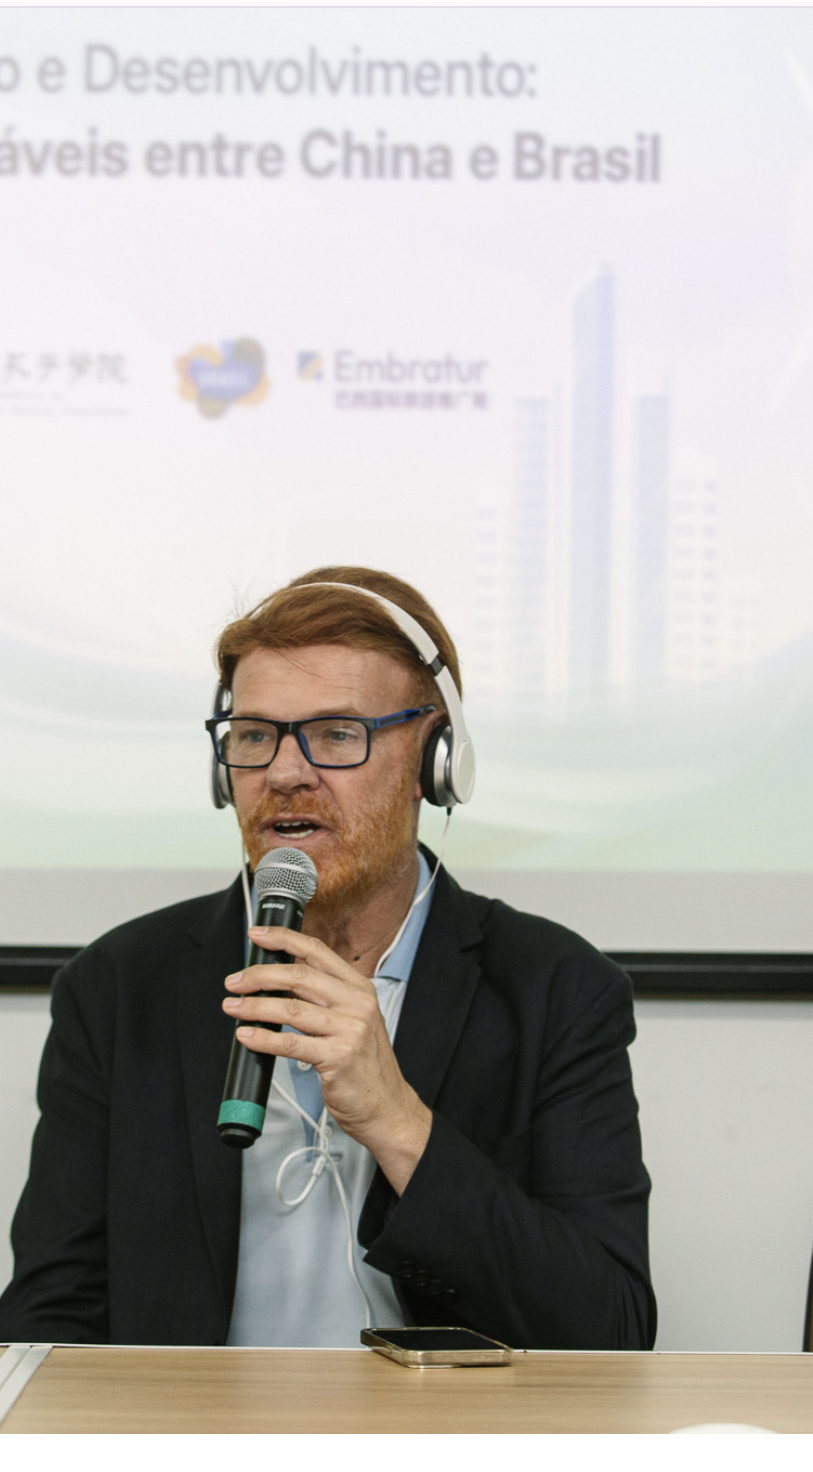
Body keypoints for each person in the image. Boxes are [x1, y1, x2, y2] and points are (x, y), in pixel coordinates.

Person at [0, 566, 655, 1350]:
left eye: (338, 735)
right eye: (253, 736)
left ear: (435, 762)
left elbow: (608, 1331)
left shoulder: (557, 991)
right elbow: (49, 1323)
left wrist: (397, 1121)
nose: (283, 773)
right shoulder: (115, 989)